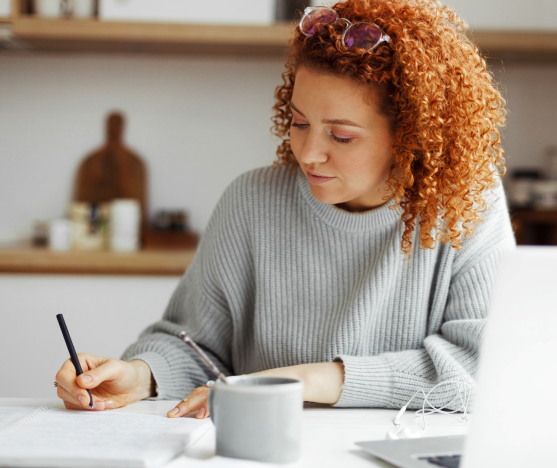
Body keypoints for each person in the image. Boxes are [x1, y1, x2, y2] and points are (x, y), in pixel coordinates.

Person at [54, 0, 514, 419]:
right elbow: (194, 344)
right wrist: (141, 375)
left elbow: (484, 367)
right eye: (299, 122)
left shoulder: (467, 204)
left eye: (342, 136)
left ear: (411, 137)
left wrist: (307, 380)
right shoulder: (252, 201)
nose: (308, 152)